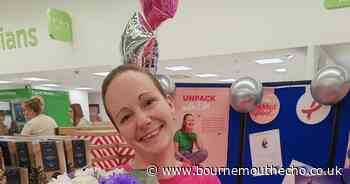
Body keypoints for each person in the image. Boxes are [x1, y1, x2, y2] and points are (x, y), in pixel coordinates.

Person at [102, 64, 221, 184]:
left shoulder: (206, 181)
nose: (143, 121)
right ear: (120, 133)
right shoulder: (110, 181)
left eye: (148, 102)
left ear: (170, 105)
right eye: (126, 117)